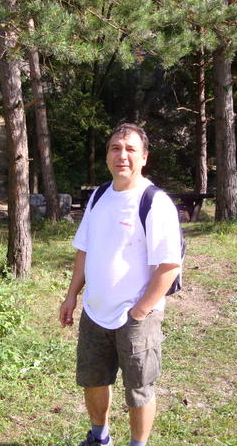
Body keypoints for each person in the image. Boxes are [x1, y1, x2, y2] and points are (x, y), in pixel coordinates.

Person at [59, 123, 183, 446]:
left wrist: (140, 311)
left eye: (130, 149)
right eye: (116, 148)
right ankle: (99, 438)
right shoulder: (99, 196)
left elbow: (169, 265)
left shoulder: (154, 202)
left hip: (136, 317)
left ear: (144, 157)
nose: (122, 155)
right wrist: (72, 296)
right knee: (93, 381)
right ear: (107, 156)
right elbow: (84, 249)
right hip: (94, 311)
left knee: (138, 390)